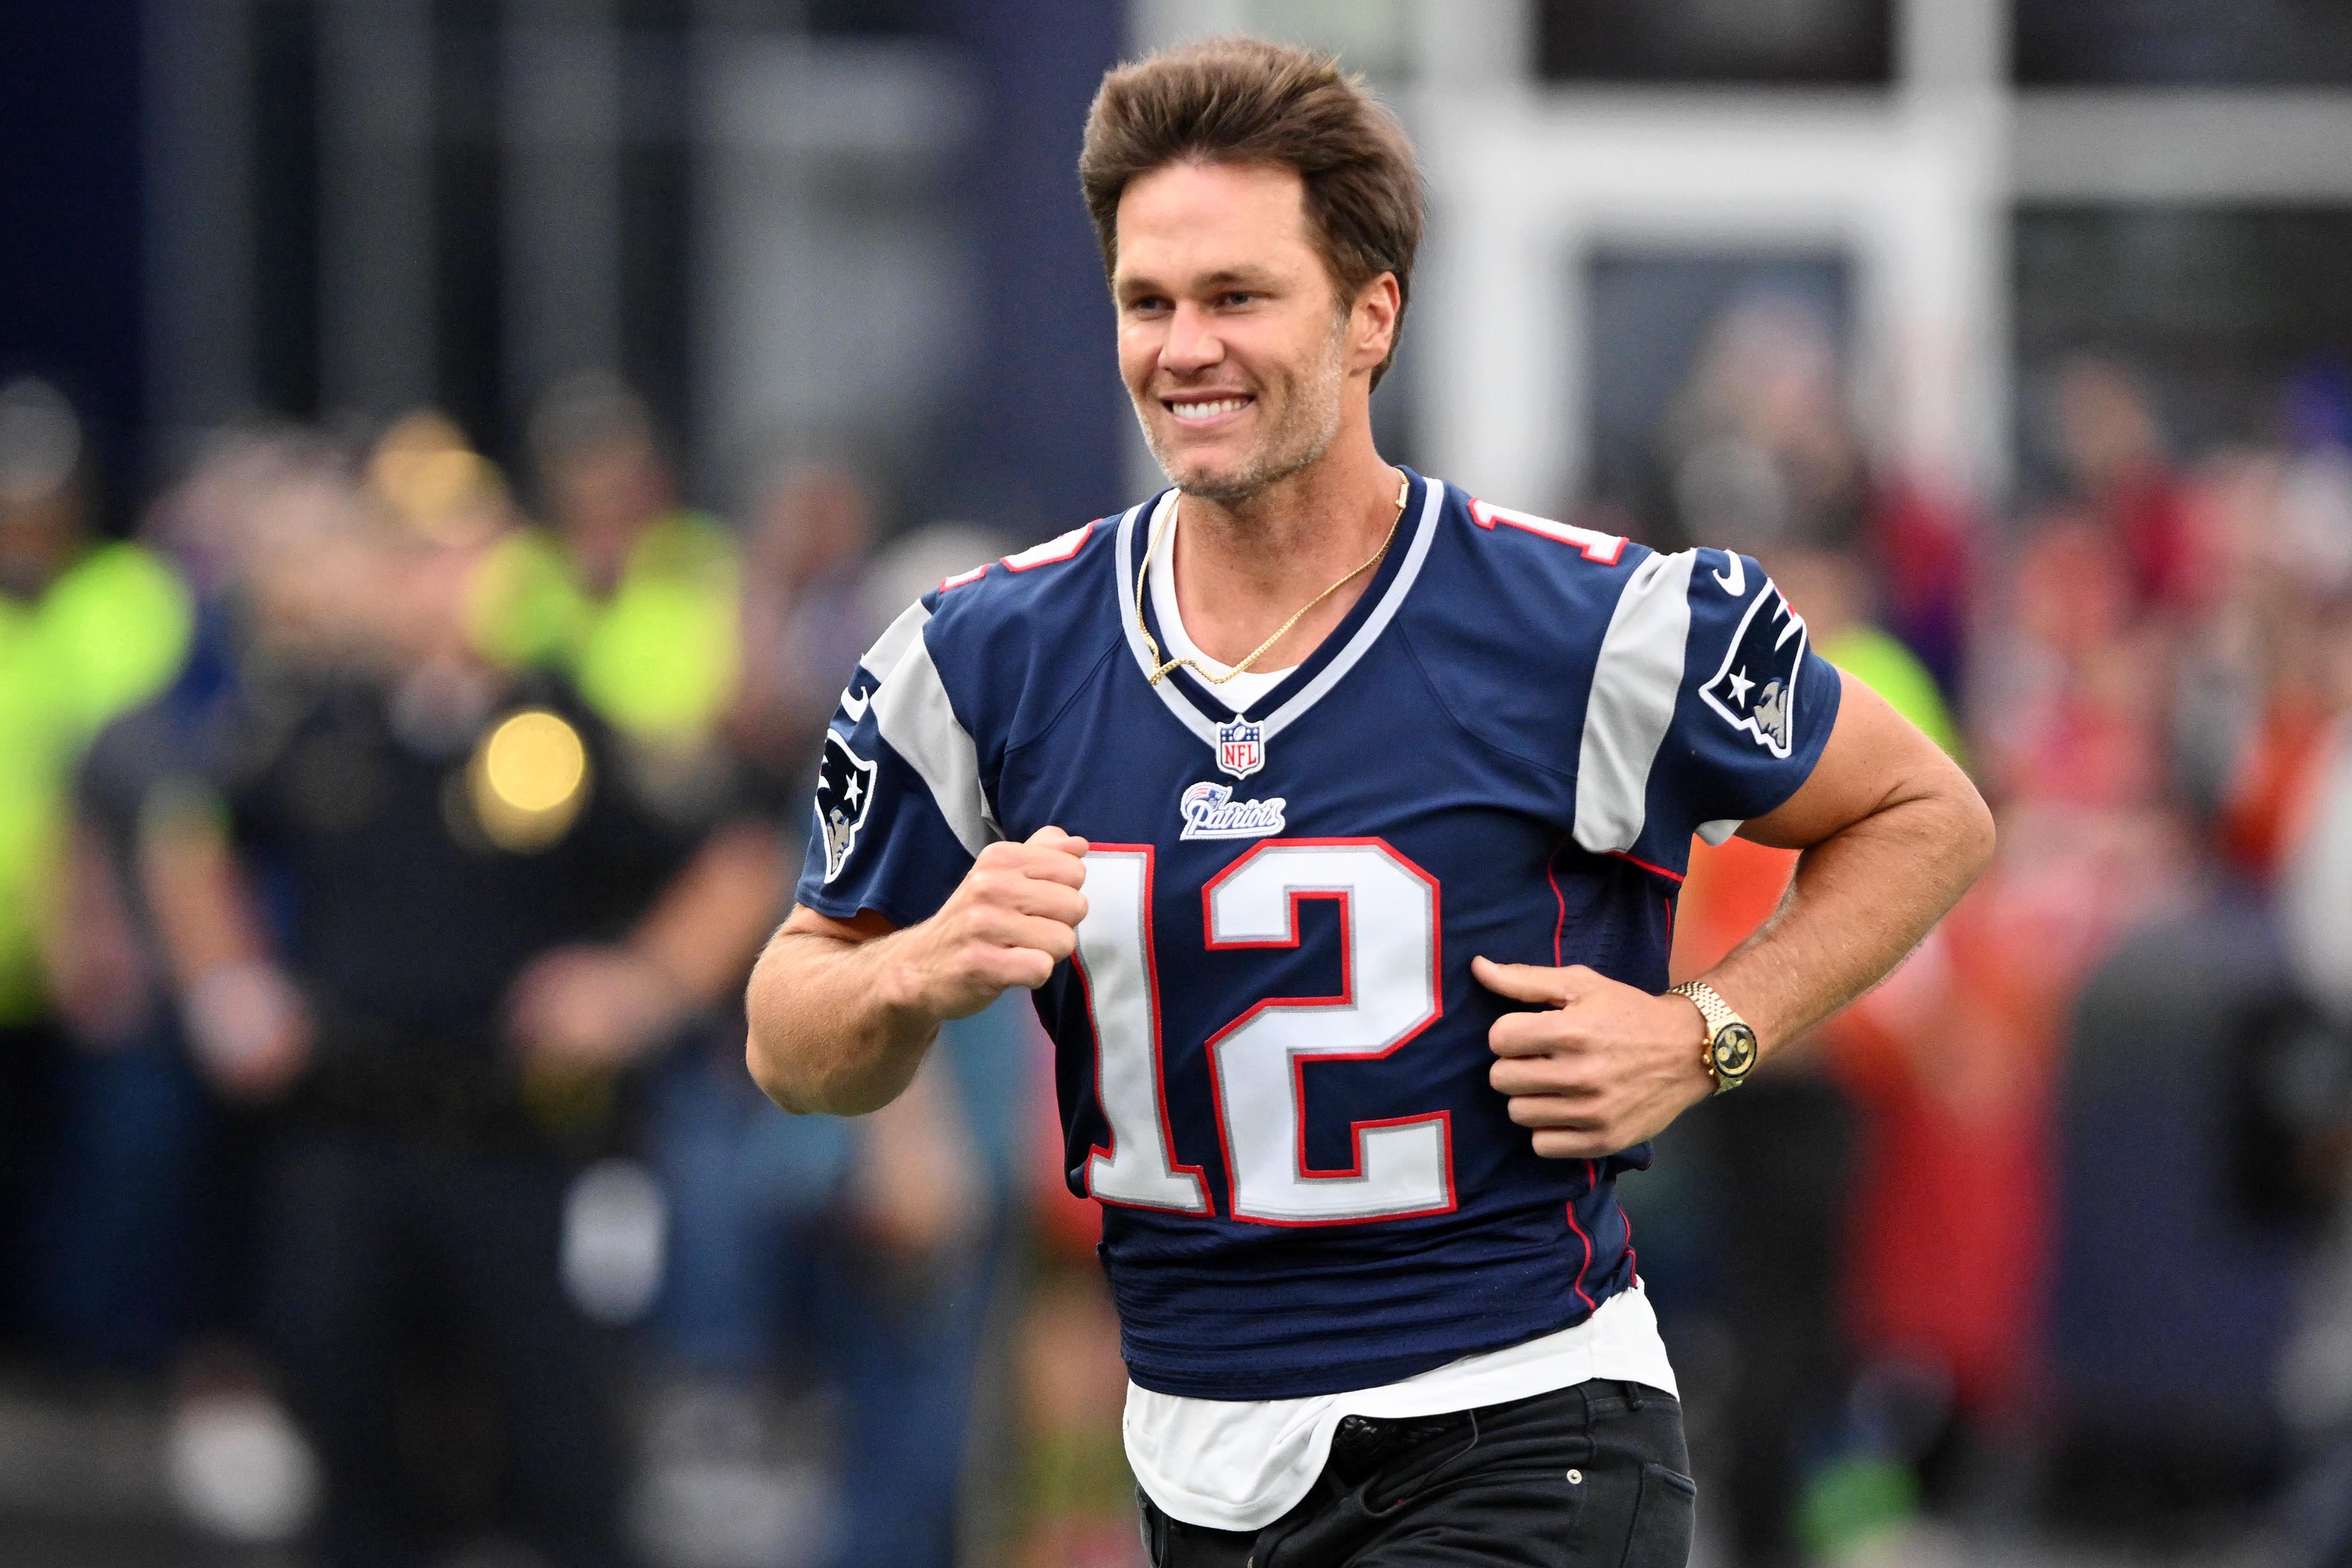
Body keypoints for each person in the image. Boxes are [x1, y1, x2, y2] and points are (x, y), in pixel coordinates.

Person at [745, 37, 1993, 1568]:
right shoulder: (983, 655)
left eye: (1238, 296)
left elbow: (1927, 813)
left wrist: (1704, 1032)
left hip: (1518, 1419)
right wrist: (912, 973)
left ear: (1369, 315)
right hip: (1197, 1455)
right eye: (1149, 301)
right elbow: (790, 1037)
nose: (1184, 347)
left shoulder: (1582, 625)